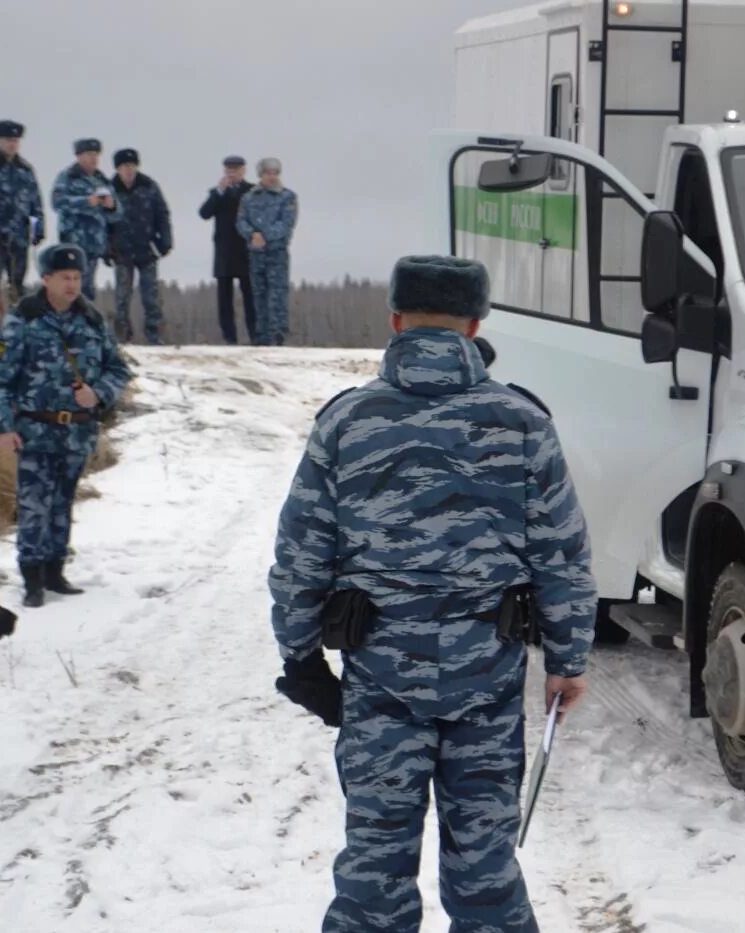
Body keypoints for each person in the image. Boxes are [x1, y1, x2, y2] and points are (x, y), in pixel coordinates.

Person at [268, 256, 597, 931]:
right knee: (485, 873)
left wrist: (301, 657)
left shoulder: (347, 422)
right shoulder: (521, 421)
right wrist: (568, 658)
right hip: (487, 683)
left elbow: (302, 552)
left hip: (380, 683)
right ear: (477, 324)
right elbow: (560, 552)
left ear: (394, 320)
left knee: (373, 877)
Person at [0, 244, 132, 608]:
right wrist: (2, 426)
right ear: (46, 279)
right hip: (35, 430)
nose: (72, 284)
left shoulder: (92, 319)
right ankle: (32, 576)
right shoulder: (23, 318)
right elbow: (0, 379)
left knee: (63, 502)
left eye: (77, 277)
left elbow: (118, 368)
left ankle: (55, 569)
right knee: (35, 504)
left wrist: (98, 394)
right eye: (64, 277)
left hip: (77, 431)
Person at [0, 120, 45, 317]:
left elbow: (35, 205)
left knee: (17, 287)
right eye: (8, 140)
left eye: (15, 140)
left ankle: (17, 327)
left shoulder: (25, 170)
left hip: (19, 239)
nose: (12, 144)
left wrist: (38, 229)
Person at [108, 148, 172, 345]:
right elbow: (102, 221)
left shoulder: (149, 186)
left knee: (151, 298)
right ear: (118, 169)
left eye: (132, 166)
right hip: (121, 251)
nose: (128, 170)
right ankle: (122, 337)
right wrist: (106, 249)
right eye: (124, 166)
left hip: (146, 249)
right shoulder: (110, 189)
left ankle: (155, 336)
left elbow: (162, 214)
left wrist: (165, 241)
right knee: (122, 298)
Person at [51, 139, 122, 307]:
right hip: (73, 244)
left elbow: (118, 214)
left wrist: (111, 207)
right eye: (89, 155)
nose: (94, 159)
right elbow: (57, 202)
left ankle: (84, 328)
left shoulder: (102, 180)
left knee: (88, 292)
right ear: (79, 156)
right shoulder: (67, 177)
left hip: (94, 246)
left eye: (96, 155)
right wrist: (85, 202)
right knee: (70, 290)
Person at [236, 158, 297, 346]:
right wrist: (252, 235)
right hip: (256, 254)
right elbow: (241, 221)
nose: (271, 176)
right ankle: (261, 336)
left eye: (275, 173)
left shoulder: (287, 197)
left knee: (277, 294)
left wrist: (265, 236)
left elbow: (286, 223)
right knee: (259, 295)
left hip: (276, 253)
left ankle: (278, 334)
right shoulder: (248, 198)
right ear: (260, 175)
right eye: (267, 173)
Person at [198, 155, 256, 344]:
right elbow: (204, 213)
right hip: (224, 250)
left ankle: (256, 335)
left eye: (236, 170)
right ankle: (229, 338)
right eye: (229, 170)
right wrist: (219, 192)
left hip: (246, 249)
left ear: (243, 171)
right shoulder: (218, 193)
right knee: (224, 299)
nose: (232, 174)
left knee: (251, 296)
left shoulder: (252, 191)